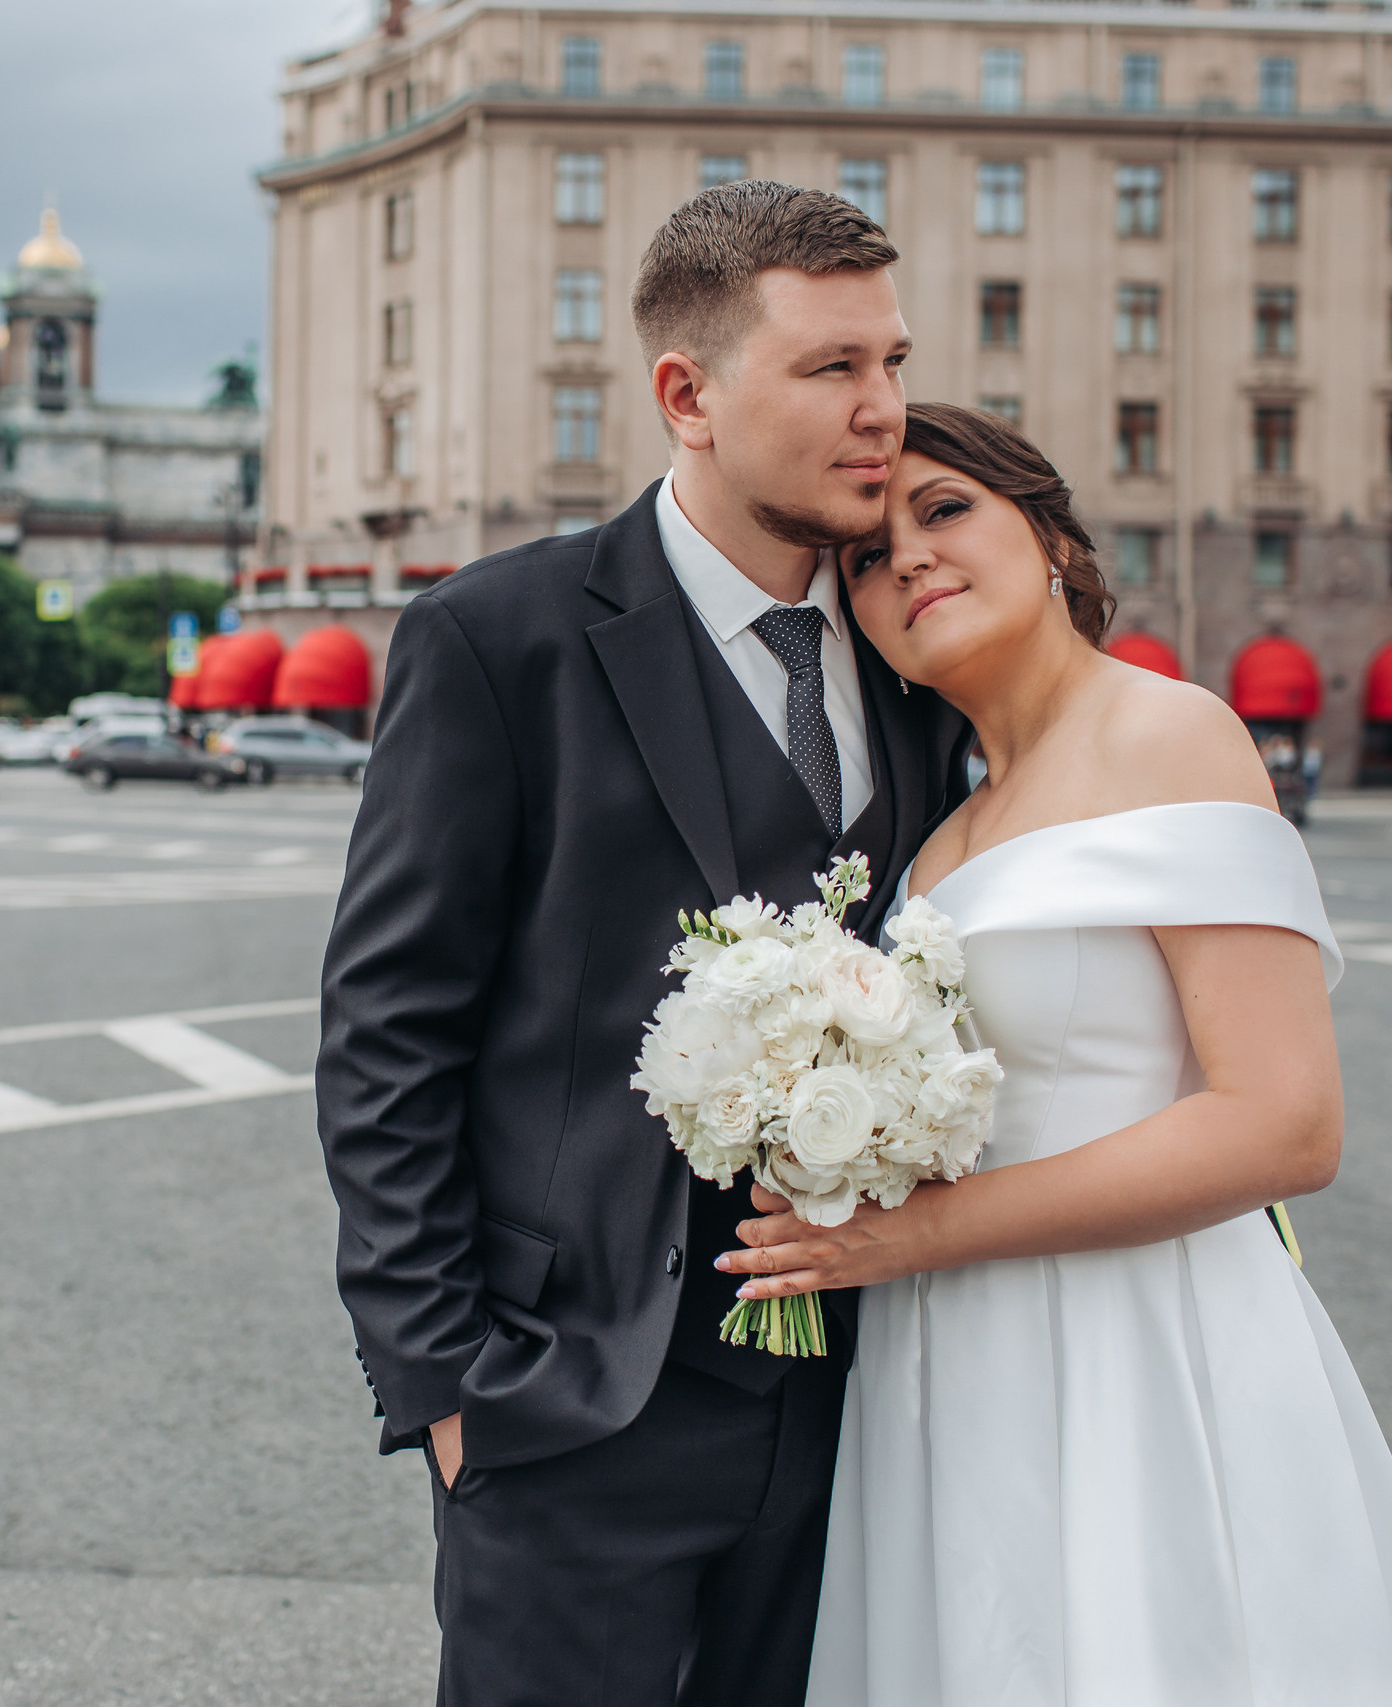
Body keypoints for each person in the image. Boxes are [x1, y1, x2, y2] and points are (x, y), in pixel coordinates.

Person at [316, 182, 969, 1703]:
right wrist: (447, 1381)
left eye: (891, 361)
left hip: (864, 1407)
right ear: (687, 394)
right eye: (831, 370)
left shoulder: (922, 661)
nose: (884, 411)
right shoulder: (502, 638)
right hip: (575, 1397)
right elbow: (388, 1027)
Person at [726, 404, 1392, 1704]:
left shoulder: (1169, 734)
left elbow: (1284, 1122)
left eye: (946, 508)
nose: (903, 557)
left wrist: (913, 1235)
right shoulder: (939, 824)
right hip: (950, 1353)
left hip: (1136, 1341)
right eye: (863, 554)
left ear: (1053, 534)